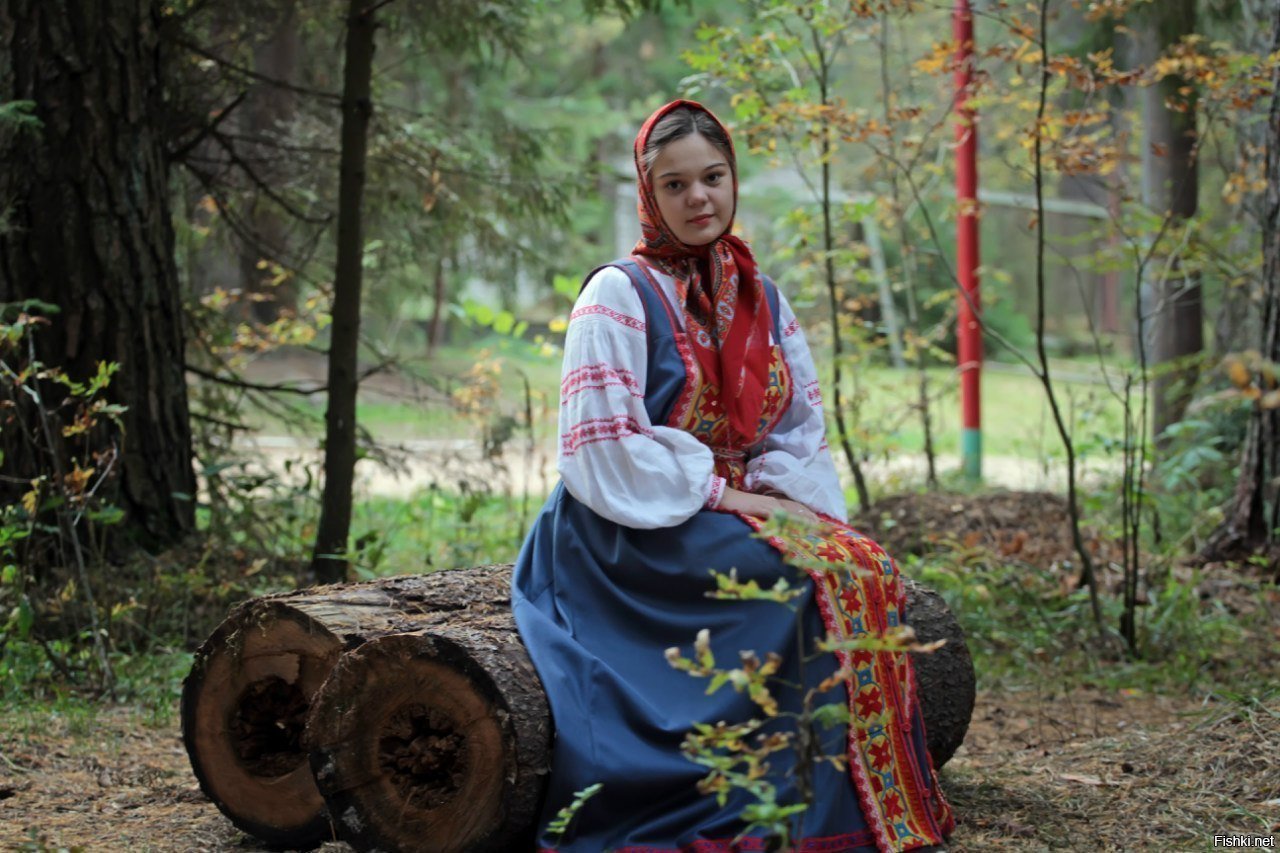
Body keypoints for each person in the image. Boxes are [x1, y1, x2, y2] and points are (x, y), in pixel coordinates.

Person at [511, 99, 954, 853]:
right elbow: (602, 449)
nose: (699, 199)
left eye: (712, 178)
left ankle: (839, 802)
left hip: (728, 508)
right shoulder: (617, 295)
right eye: (676, 185)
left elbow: (797, 429)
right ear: (650, 194)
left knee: (863, 564)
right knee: (790, 581)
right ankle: (763, 804)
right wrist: (735, 497)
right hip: (626, 528)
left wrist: (784, 498)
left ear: (732, 177)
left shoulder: (760, 295)